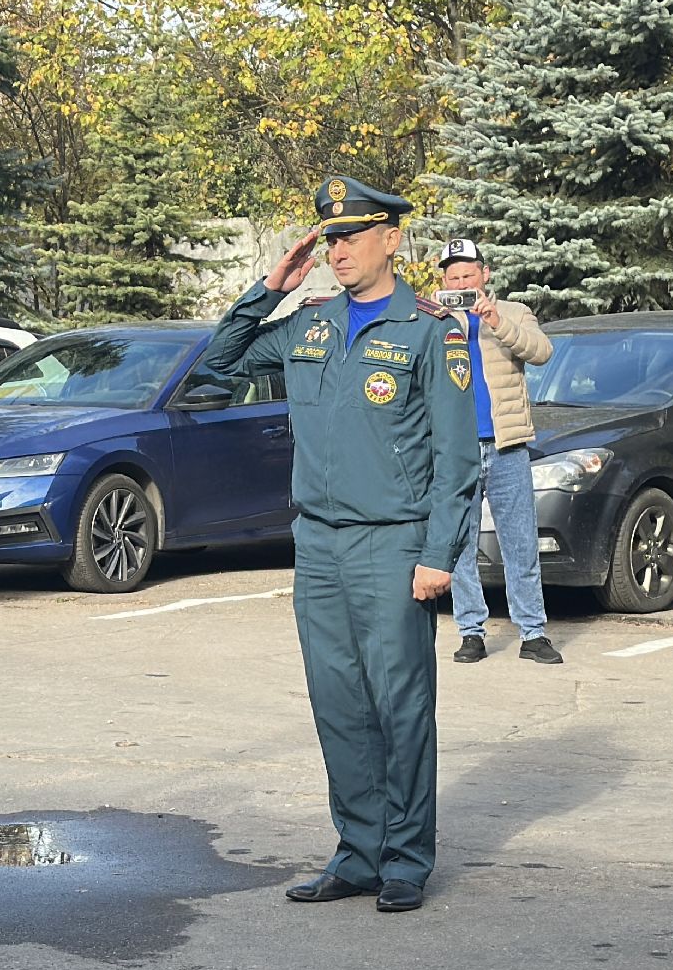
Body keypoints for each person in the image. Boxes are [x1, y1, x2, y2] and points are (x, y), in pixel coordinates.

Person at [205, 176, 479, 913]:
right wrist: (270, 288)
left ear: (392, 239)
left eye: (351, 236)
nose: (337, 250)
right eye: (329, 238)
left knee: (400, 703)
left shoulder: (429, 331)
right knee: (339, 704)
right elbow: (216, 368)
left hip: (392, 544)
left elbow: (457, 460)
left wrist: (437, 553)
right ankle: (357, 852)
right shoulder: (310, 324)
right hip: (318, 545)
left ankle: (405, 859)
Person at [438, 238, 563, 665]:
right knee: (460, 544)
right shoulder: (435, 319)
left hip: (507, 445)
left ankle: (533, 633)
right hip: (456, 450)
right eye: (453, 276)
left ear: (484, 275)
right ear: (444, 282)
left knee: (521, 544)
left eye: (468, 274)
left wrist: (494, 320)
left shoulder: (512, 313)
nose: (462, 281)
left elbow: (542, 352)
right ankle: (470, 631)